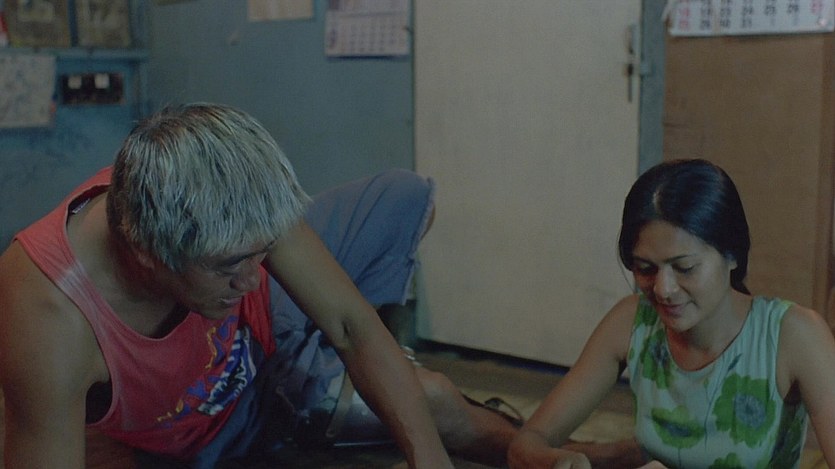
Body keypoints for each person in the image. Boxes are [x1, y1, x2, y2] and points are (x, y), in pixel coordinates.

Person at [0, 103, 518, 469]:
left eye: (262, 253)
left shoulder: (218, 188)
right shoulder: (48, 319)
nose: (252, 279)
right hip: (219, 419)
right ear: (146, 253)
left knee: (400, 197)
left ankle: (531, 446)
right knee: (430, 401)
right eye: (229, 266)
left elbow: (351, 325)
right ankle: (321, 381)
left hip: (268, 327)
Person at [507, 158, 835, 469]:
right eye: (645, 268)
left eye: (685, 268)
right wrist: (557, 462)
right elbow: (527, 444)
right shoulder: (631, 323)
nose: (663, 289)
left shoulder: (791, 336)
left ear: (732, 254)